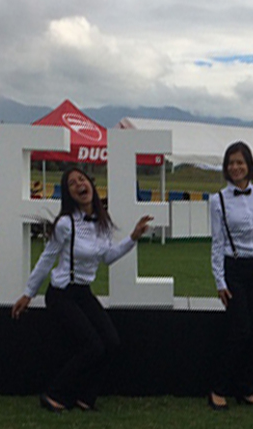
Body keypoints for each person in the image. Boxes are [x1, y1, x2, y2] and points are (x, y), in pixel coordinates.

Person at [11, 167, 153, 413]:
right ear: (69, 195)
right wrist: (28, 293)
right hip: (62, 293)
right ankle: (54, 394)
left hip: (83, 293)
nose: (79, 185)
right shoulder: (66, 224)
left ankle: (86, 398)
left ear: (91, 185)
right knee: (92, 346)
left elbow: (108, 257)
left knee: (111, 342)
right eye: (72, 184)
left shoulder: (102, 222)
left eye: (82, 179)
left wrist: (133, 237)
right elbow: (47, 258)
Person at [209, 141, 253, 410]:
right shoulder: (218, 200)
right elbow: (217, 243)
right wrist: (220, 281)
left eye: (240, 162)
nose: (235, 167)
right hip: (234, 267)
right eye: (231, 163)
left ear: (249, 165)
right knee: (240, 330)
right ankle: (218, 389)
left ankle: (246, 389)